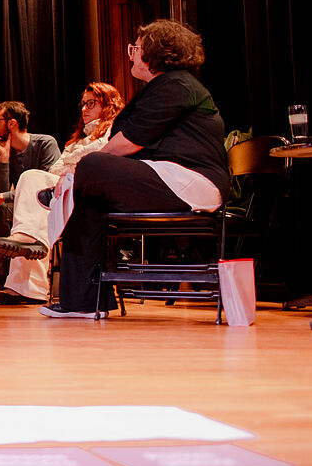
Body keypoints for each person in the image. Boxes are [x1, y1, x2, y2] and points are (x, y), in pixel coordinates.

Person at [40, 20, 229, 318]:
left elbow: (130, 141)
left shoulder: (176, 85)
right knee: (89, 197)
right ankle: (82, 302)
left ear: (154, 54)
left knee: (91, 167)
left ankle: (58, 196)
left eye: (136, 48)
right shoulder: (165, 86)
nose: (130, 54)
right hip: (167, 176)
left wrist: (79, 172)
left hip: (192, 181)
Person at [0, 82, 124, 305]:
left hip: (91, 192)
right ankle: (27, 286)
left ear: (108, 104)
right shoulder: (77, 140)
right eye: (83, 104)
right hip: (63, 190)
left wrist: (71, 170)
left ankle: (29, 270)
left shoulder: (113, 131)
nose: (84, 109)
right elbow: (54, 171)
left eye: (91, 103)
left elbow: (99, 161)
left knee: (32, 180)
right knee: (34, 202)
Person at [0, 101, 62, 285]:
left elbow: (48, 187)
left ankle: (31, 274)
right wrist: (3, 159)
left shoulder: (45, 143)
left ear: (12, 124)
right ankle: (7, 279)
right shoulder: (6, 150)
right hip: (22, 208)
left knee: (1, 201)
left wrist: (3, 196)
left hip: (48, 207)